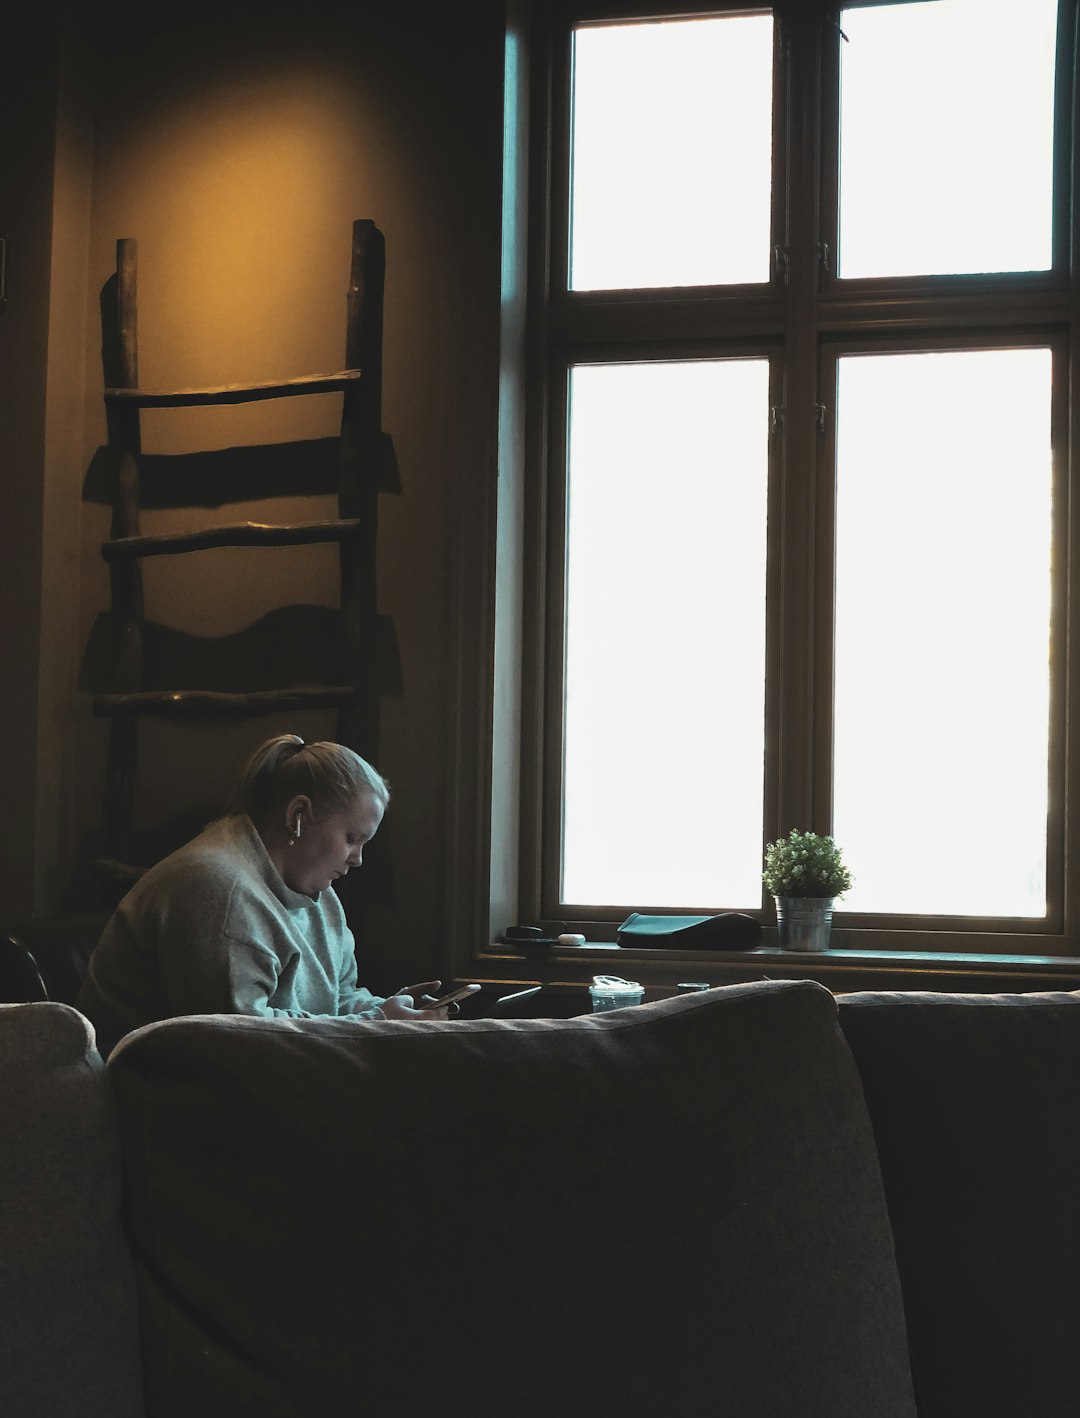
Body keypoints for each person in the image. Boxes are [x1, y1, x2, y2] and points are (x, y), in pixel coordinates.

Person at [77, 734, 451, 1057]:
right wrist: (376, 1022)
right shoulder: (217, 888)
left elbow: (338, 1000)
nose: (358, 859)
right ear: (298, 815)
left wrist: (394, 1014)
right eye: (352, 838)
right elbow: (242, 1037)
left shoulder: (322, 897)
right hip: (157, 1093)